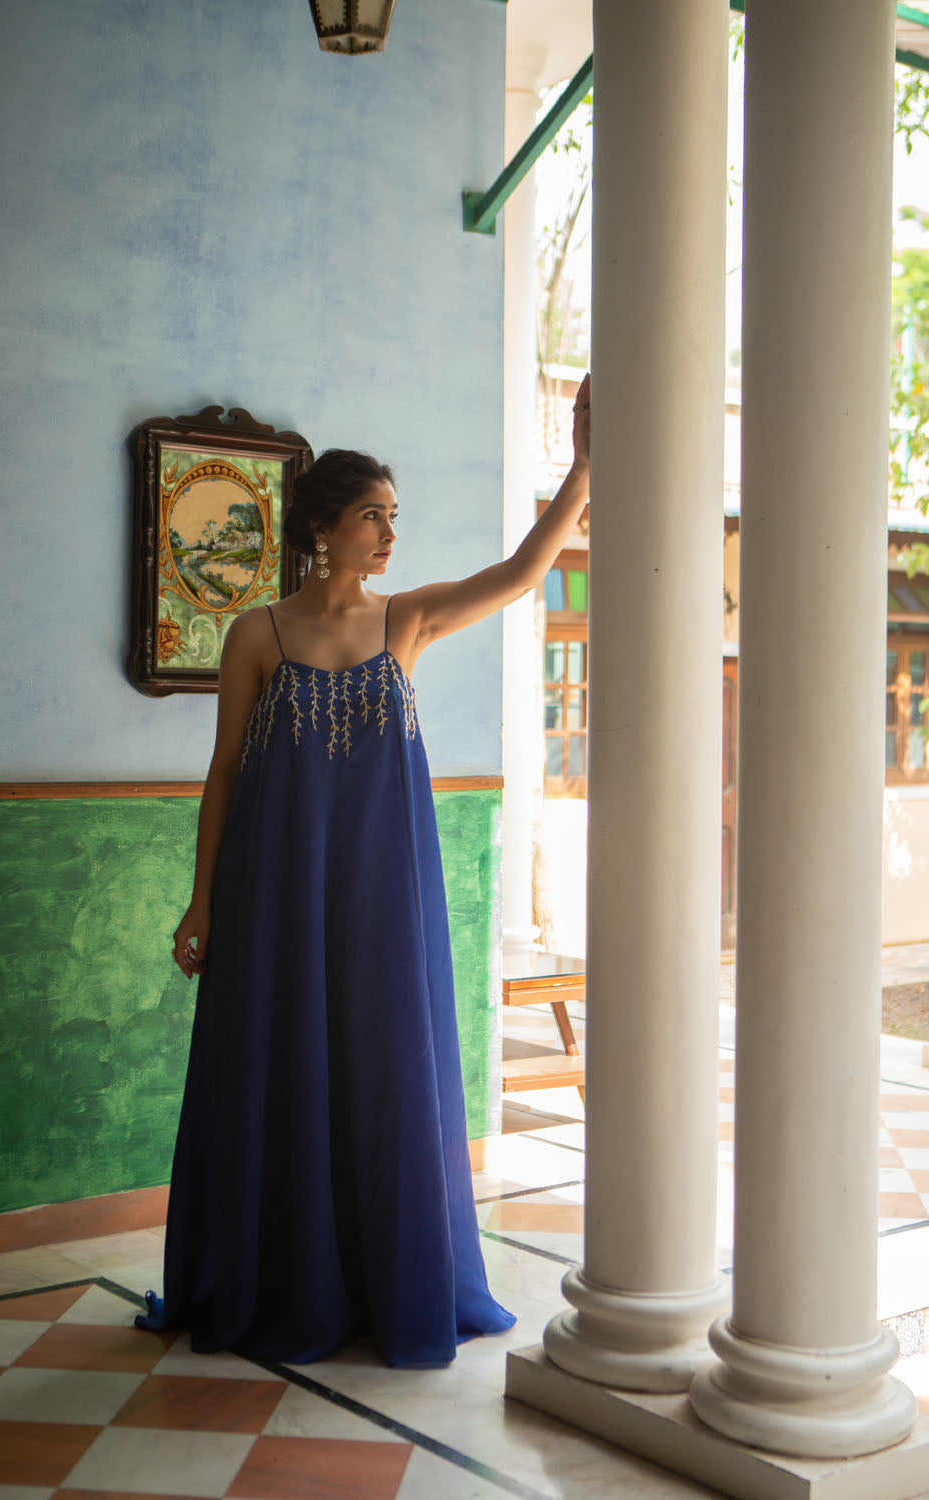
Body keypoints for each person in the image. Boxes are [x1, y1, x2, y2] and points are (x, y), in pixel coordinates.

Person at [137, 377, 591, 1367]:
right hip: (275, 896)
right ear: (322, 529)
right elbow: (224, 773)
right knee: (278, 1066)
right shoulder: (256, 634)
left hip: (384, 899)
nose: (388, 534)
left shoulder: (408, 621)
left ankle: (381, 1280)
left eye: (393, 517)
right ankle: (281, 1281)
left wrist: (582, 470)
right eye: (371, 517)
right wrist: (201, 901)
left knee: (384, 1075)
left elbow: (521, 575)